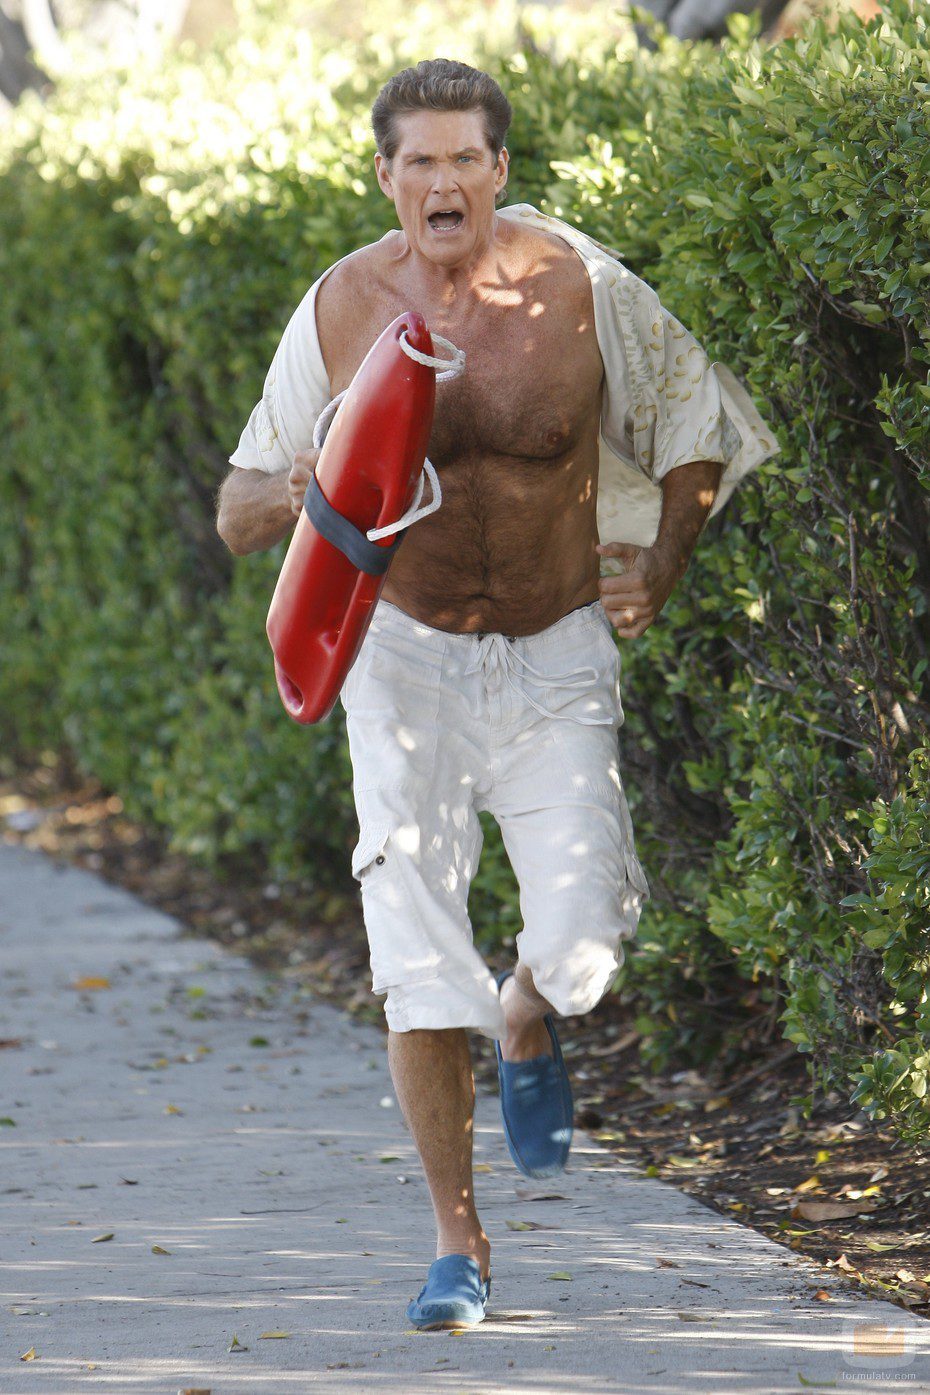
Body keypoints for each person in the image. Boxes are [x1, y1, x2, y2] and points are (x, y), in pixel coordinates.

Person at [216, 58, 780, 1330]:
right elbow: (240, 512)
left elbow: (698, 422)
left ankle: (528, 1012)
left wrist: (667, 563)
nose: (444, 180)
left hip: (555, 644)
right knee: (414, 954)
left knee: (585, 937)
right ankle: (457, 1247)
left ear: (501, 170)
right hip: (402, 653)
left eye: (466, 156)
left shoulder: (577, 288)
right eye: (418, 159)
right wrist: (308, 479)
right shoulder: (341, 310)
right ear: (385, 177)